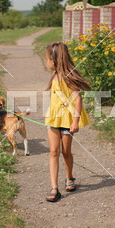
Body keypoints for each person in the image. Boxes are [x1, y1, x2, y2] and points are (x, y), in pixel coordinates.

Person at [44, 42, 91, 202]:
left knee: (66, 152)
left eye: (47, 59)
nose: (46, 63)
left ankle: (69, 177)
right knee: (53, 151)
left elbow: (78, 99)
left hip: (67, 120)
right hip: (53, 119)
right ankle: (54, 188)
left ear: (55, 60)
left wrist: (75, 121)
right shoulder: (54, 76)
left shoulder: (69, 77)